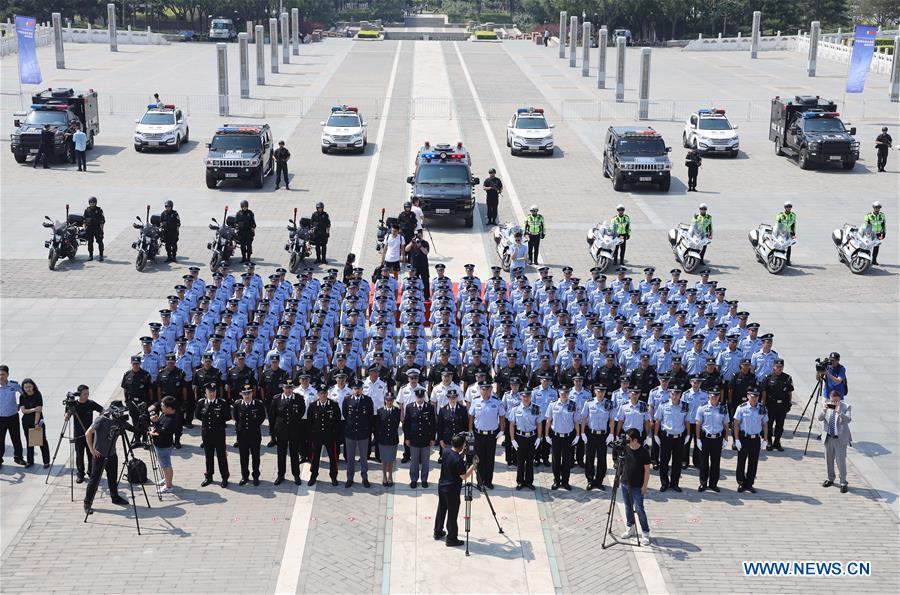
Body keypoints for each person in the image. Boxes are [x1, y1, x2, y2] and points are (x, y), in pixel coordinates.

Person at [83, 403, 129, 514]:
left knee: (113, 478)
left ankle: (115, 497)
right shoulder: (101, 420)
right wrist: (92, 450)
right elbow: (88, 433)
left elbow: (131, 428)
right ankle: (87, 503)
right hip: (99, 455)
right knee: (95, 480)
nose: (122, 414)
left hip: (112, 454)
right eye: (120, 412)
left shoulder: (119, 421)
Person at [433, 433, 477, 547]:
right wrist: (473, 466)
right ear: (462, 445)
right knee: (452, 514)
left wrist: (463, 454)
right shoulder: (458, 461)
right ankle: (451, 539)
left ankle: (437, 531)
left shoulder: (446, 451)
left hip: (442, 486)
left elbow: (454, 458)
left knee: (441, 509)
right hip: (452, 490)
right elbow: (464, 476)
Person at [468, 382, 505, 489]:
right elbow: (471, 416)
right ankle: (480, 481)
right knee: (479, 459)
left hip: (491, 435)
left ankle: (488, 481)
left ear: (490, 390)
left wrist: (502, 430)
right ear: (480, 390)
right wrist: (470, 430)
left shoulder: (496, 401)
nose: (485, 391)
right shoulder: (475, 401)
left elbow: (502, 416)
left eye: (487, 389)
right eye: (483, 389)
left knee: (489, 459)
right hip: (478, 434)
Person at [619, 428, 652, 546]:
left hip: (637, 486)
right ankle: (630, 527)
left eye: (629, 439)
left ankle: (645, 532)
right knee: (628, 507)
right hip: (625, 483)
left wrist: (644, 486)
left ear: (635, 440)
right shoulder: (625, 448)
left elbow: (647, 470)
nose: (627, 441)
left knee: (639, 509)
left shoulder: (644, 452)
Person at [654, 388, 690, 492]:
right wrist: (655, 435)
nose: (675, 396)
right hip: (666, 437)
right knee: (664, 461)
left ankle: (675, 483)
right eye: (673, 394)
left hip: (679, 437)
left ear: (680, 395)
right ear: (670, 394)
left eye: (678, 394)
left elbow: (687, 421)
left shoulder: (685, 406)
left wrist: (688, 434)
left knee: (677, 462)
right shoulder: (663, 405)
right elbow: (658, 420)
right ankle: (664, 483)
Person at [194, 383, 231, 488]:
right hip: (206, 434)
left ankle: (224, 477)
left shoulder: (222, 403)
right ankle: (209, 476)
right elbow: (198, 415)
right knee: (208, 456)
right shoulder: (201, 402)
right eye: (210, 391)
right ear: (205, 392)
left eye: (214, 391)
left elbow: (227, 416)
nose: (212, 393)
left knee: (221, 456)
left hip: (219, 434)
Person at [65, 385, 104, 482]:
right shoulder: (73, 404)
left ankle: (91, 472)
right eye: (84, 394)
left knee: (91, 454)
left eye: (87, 394)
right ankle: (80, 474)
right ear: (79, 394)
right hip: (78, 435)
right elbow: (66, 418)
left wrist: (98, 421)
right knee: (79, 455)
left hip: (90, 434)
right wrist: (68, 412)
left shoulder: (91, 403)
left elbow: (103, 410)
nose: (86, 396)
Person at [733, 389, 768, 494]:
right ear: (748, 396)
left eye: (756, 396)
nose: (755, 398)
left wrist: (765, 439)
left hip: (755, 439)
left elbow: (765, 424)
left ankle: (749, 484)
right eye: (753, 396)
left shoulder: (762, 408)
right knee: (741, 461)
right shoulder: (741, 408)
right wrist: (736, 439)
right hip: (744, 438)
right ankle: (741, 482)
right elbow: (736, 424)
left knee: (753, 462)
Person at [580, 385, 615, 490]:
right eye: (598, 391)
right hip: (591, 434)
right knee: (589, 458)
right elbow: (584, 418)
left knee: (602, 459)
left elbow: (612, 420)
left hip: (603, 435)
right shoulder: (589, 403)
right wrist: (582, 433)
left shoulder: (609, 403)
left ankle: (599, 481)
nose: (600, 393)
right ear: (595, 391)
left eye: (602, 392)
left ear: (605, 392)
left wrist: (611, 434)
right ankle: (590, 480)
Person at [508, 388, 543, 490]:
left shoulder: (536, 408)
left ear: (531, 397)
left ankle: (529, 482)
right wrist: (512, 439)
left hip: (532, 437)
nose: (526, 398)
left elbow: (539, 423)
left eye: (528, 396)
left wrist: (539, 437)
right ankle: (520, 482)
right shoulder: (515, 409)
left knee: (530, 461)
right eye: (524, 396)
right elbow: (511, 425)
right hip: (520, 438)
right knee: (520, 461)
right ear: (521, 397)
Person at [272, 381, 306, 485]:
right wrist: (273, 433)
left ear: (293, 388)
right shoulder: (277, 399)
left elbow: (301, 412)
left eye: (290, 388)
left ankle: (296, 475)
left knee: (294, 454)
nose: (288, 390)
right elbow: (272, 416)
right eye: (286, 388)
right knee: (281, 454)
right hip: (281, 431)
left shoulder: (298, 398)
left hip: (294, 430)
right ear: (283, 388)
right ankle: (280, 475)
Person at [307, 384, 341, 486]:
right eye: (321, 393)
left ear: (327, 393)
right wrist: (311, 435)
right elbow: (310, 422)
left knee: (333, 457)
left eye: (325, 393)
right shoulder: (313, 405)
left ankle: (333, 476)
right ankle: (313, 475)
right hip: (317, 436)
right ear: (318, 394)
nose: (323, 395)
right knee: (315, 457)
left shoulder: (333, 405)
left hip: (329, 436)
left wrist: (335, 434)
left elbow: (337, 421)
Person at [545, 386, 579, 490]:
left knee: (566, 460)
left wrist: (578, 435)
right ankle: (556, 480)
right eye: (562, 393)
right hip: (556, 436)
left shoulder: (573, 404)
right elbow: (548, 421)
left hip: (568, 437)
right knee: (555, 460)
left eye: (566, 393)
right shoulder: (553, 404)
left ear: (568, 394)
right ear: (558, 393)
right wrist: (546, 435)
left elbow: (576, 421)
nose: (564, 395)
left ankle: (565, 481)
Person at [343, 380, 374, 488]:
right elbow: (345, 414)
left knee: (363, 458)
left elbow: (370, 416)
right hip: (350, 433)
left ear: (362, 389)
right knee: (350, 458)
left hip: (363, 434)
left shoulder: (368, 400)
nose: (357, 391)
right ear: (352, 389)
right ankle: (349, 478)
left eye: (359, 389)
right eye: (355, 389)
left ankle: (364, 478)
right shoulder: (347, 400)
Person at [818, 390, 852, 493]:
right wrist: (823, 411)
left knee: (840, 461)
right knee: (828, 460)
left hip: (840, 439)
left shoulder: (846, 407)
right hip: (828, 437)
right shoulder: (827, 405)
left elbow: (848, 420)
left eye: (836, 401)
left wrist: (839, 413)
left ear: (839, 399)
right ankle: (830, 478)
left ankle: (843, 482)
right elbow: (820, 418)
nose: (834, 403)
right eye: (832, 401)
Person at [403, 386, 436, 488]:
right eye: (418, 397)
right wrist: (407, 438)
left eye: (421, 397)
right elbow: (406, 424)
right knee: (414, 461)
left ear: (424, 396)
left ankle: (424, 479)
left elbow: (433, 424)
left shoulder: (430, 407)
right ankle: (414, 479)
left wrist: (433, 438)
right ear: (415, 396)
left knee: (425, 461)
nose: (420, 399)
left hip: (426, 439)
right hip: (414, 439)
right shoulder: (409, 407)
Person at [232, 384, 266, 486]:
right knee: (243, 457)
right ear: (241, 394)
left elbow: (262, 417)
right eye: (245, 394)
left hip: (254, 434)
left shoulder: (258, 404)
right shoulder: (237, 404)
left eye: (249, 393)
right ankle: (245, 476)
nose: (247, 396)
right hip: (242, 435)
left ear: (252, 393)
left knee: (255, 457)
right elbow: (236, 418)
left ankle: (256, 476)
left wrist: (253, 426)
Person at [149, 396, 181, 493]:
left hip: (164, 446)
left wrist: (154, 425)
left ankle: (168, 486)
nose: (161, 407)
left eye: (163, 406)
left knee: (166, 466)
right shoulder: (165, 413)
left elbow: (162, 432)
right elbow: (159, 426)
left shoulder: (171, 420)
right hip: (159, 444)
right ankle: (166, 479)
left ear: (169, 408)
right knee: (163, 464)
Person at [761, 358, 793, 452]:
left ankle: (777, 442)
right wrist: (763, 404)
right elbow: (764, 391)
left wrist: (789, 403)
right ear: (773, 367)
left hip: (782, 405)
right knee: (769, 424)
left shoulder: (787, 378)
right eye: (777, 366)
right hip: (771, 405)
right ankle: (769, 441)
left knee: (780, 425)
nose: (779, 368)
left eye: (781, 367)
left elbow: (789, 392)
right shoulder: (768, 377)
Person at [18, 378, 49, 468]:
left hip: (37, 421)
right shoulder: (22, 396)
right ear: (23, 388)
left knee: (42, 441)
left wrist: (36, 423)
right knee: (29, 441)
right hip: (26, 421)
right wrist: (34, 409)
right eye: (26, 387)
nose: (28, 389)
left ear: (33, 386)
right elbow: (23, 411)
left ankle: (46, 461)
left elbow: (39, 411)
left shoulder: (37, 394)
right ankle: (30, 461)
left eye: (29, 387)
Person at [0, 365, 26, 468]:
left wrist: (20, 405)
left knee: (16, 438)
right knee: (0, 440)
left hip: (13, 416)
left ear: (7, 375)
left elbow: (24, 394)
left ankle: (18, 457)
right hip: (1, 418)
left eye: (3, 374)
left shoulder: (13, 385)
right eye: (0, 374)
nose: (1, 377)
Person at [376, 394, 402, 487]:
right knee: (383, 459)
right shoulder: (380, 411)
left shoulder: (397, 411)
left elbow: (398, 423)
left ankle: (390, 476)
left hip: (392, 438)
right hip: (383, 439)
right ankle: (384, 476)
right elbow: (377, 426)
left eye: (391, 400)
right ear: (385, 400)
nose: (389, 402)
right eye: (387, 400)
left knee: (391, 459)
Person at [405, 230, 431, 299]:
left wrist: (420, 246)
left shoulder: (425, 243)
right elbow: (406, 249)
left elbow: (426, 252)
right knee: (414, 281)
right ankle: (415, 295)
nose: (417, 237)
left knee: (425, 280)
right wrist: (411, 243)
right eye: (416, 235)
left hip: (423, 264)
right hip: (414, 265)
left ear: (421, 235)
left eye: (419, 235)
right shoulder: (412, 242)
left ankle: (426, 296)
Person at [83, 196, 105, 262]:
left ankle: (101, 255)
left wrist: (101, 229)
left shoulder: (99, 210)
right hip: (89, 228)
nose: (92, 203)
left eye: (93, 202)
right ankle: (90, 255)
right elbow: (84, 219)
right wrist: (85, 227)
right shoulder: (87, 210)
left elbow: (102, 220)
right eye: (91, 202)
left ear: (96, 203)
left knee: (100, 242)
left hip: (97, 228)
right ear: (89, 203)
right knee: (90, 242)